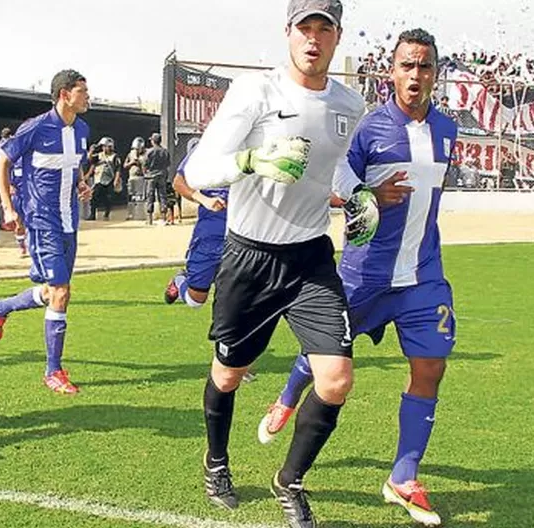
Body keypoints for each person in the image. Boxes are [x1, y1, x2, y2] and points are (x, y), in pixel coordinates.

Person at [181, 1, 378, 525]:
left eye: (324, 29)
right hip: (250, 257)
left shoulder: (348, 103)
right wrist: (250, 160)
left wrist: (358, 195)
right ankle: (216, 461)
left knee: (335, 380)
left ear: (338, 38)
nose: (314, 39)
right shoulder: (255, 91)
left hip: (311, 258)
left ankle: (289, 481)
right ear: (288, 33)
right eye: (304, 28)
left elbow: (334, 170)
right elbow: (199, 169)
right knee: (228, 375)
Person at [256, 28, 457, 526]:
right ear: (391, 72)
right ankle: (286, 398)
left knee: (431, 367)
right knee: (324, 357)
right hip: (365, 273)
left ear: (435, 72)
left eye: (425, 66)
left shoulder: (448, 130)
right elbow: (331, 179)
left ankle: (403, 477)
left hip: (423, 275)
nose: (416, 75)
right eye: (407, 66)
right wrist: (366, 193)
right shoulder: (366, 128)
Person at [0, 69, 93, 394]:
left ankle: (0, 308)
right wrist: (8, 207)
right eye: (83, 92)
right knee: (62, 292)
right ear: (65, 94)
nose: (88, 97)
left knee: (51, 292)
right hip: (41, 220)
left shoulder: (83, 129)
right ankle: (53, 371)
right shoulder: (35, 128)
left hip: (69, 220)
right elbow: (2, 163)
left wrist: (81, 183)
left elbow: (72, 162)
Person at [164, 144, 256, 382]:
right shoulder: (208, 146)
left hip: (243, 234)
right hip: (210, 234)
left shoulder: (255, 146)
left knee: (236, 298)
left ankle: (231, 360)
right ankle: (179, 280)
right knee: (196, 300)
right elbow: (178, 183)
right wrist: (202, 199)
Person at [87, 137, 122, 220]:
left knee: (108, 198)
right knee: (94, 196)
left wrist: (116, 180)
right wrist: (91, 150)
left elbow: (118, 169)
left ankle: (106, 214)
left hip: (109, 180)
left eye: (107, 146)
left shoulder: (114, 156)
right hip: (99, 179)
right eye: (104, 146)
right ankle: (92, 214)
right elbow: (90, 159)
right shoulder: (99, 155)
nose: (106, 148)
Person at [143, 132, 174, 225]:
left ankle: (150, 219)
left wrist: (146, 173)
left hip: (151, 176)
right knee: (162, 196)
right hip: (162, 175)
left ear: (153, 141)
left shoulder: (149, 152)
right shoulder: (165, 151)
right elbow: (168, 164)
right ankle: (164, 218)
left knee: (150, 196)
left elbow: (145, 165)